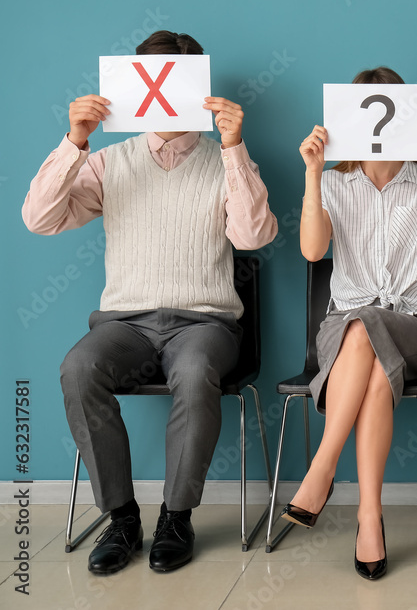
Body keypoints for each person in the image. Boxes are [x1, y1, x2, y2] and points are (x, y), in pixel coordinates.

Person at [22, 30, 278, 574]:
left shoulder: (222, 159)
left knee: (195, 369)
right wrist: (74, 142)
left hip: (203, 323)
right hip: (126, 324)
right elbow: (39, 218)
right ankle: (121, 517)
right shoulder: (110, 161)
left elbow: (253, 237)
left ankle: (176, 516)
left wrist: (234, 148)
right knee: (77, 368)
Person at [279, 67, 417, 581]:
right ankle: (368, 517)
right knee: (369, 347)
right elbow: (314, 250)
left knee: (369, 329)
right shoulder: (334, 183)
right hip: (344, 334)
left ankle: (321, 468)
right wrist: (313, 175)